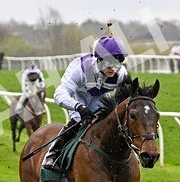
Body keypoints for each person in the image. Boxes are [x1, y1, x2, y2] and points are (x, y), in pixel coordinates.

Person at [42, 36, 132, 172]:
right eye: (109, 63)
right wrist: (79, 107)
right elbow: (59, 95)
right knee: (78, 119)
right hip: (78, 94)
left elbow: (128, 99)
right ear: (99, 59)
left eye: (117, 63)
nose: (113, 68)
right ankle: (53, 154)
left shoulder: (121, 73)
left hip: (98, 95)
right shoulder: (80, 70)